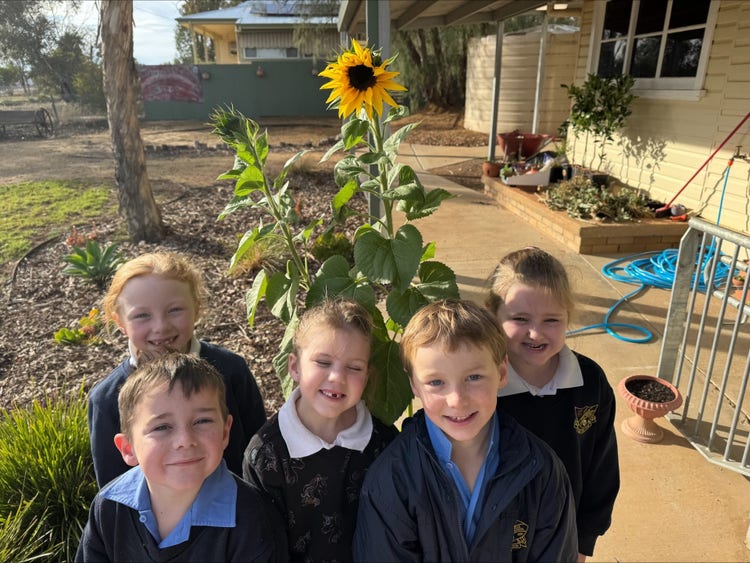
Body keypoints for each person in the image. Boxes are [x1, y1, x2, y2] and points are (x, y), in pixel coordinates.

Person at [353, 299, 578, 562]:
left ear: (502, 372)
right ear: (414, 384)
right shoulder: (393, 479)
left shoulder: (542, 470)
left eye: (474, 377)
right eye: (436, 382)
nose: (457, 400)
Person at [76, 353, 286, 561]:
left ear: (224, 432)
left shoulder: (252, 517)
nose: (185, 440)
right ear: (128, 448)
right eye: (162, 427)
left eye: (202, 421)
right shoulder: (109, 507)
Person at [486, 247, 620, 562]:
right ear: (493, 315)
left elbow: (602, 469)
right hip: (493, 542)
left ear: (568, 317)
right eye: (520, 319)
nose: (535, 332)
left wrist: (584, 541)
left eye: (551, 320)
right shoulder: (480, 384)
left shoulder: (591, 383)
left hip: (562, 540)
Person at [88, 251, 266, 487]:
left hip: (239, 514)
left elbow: (259, 453)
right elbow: (114, 490)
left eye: (175, 310)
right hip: (157, 522)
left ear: (197, 308)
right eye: (142, 315)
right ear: (120, 322)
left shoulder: (231, 371)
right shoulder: (107, 399)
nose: (160, 326)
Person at [243, 297, 398, 562]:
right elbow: (263, 546)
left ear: (367, 376)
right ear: (294, 367)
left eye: (354, 367)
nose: (337, 377)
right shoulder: (266, 455)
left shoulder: (384, 444)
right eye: (323, 362)